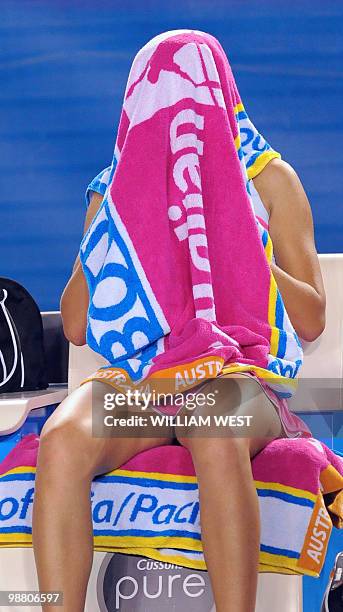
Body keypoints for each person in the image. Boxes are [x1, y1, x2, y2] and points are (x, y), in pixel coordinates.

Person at [32, 30, 326, 612]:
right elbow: (74, 323)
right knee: (61, 441)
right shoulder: (116, 187)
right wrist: (114, 216)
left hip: (236, 376)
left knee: (213, 424)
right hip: (148, 386)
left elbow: (312, 317)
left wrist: (247, 250)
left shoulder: (271, 181)